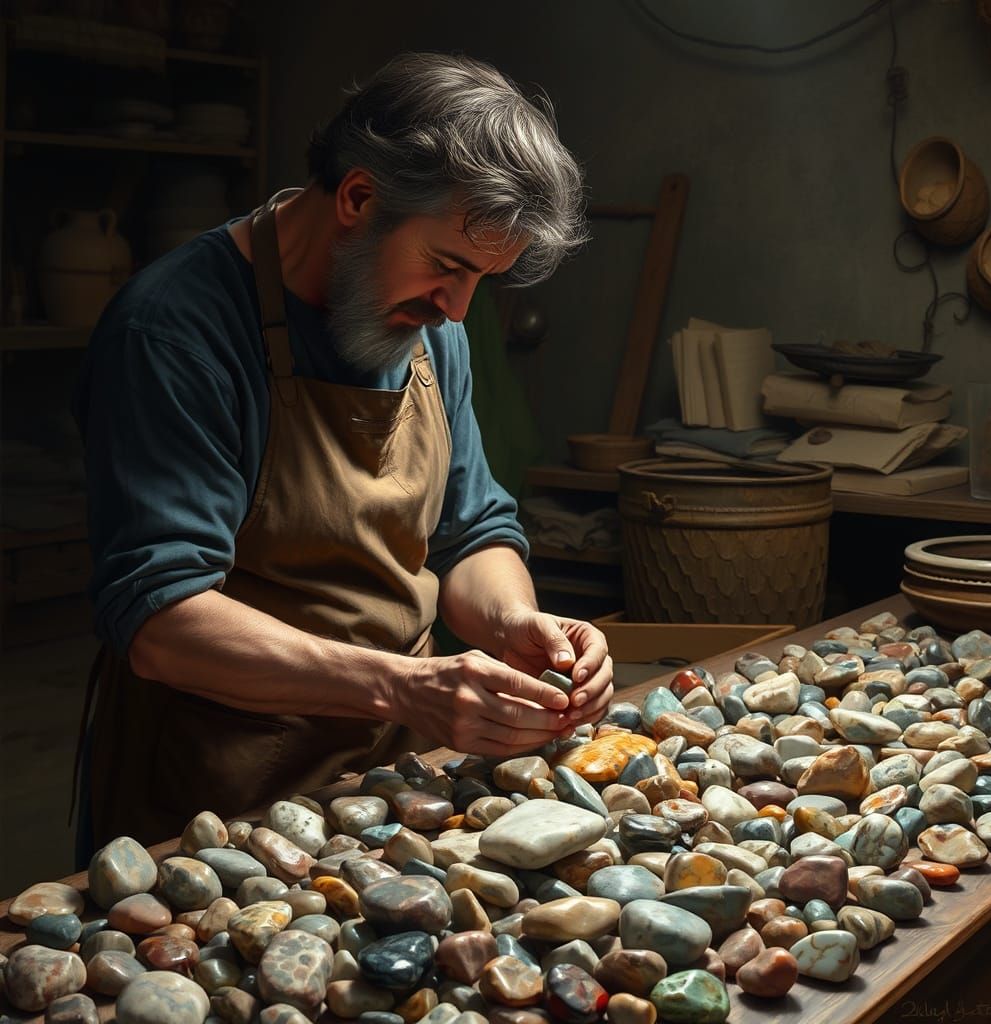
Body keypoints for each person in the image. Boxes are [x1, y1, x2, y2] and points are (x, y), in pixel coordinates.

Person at [73, 52, 614, 851]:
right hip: (216, 788)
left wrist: (516, 623)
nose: (457, 311)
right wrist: (406, 687)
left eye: (482, 282)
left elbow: (471, 532)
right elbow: (161, 620)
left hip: (394, 770)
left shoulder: (428, 324)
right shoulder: (175, 332)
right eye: (449, 267)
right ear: (359, 197)